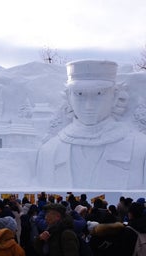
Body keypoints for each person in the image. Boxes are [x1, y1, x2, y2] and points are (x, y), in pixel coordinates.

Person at [36, 59, 146, 190]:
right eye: (79, 94)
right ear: (68, 96)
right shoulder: (49, 151)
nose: (89, 106)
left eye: (99, 94)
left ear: (115, 96)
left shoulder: (140, 147)